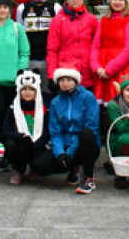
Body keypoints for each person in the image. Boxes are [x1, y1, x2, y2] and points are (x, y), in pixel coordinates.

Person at [34, 64, 100, 194]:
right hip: (64, 143)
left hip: (85, 144)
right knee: (39, 166)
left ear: (76, 81)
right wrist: (60, 154)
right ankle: (73, 168)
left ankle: (88, 177)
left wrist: (69, 153)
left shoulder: (87, 97)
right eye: (62, 80)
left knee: (86, 133)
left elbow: (92, 126)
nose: (65, 84)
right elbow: (55, 131)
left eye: (69, 80)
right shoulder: (55, 102)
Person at [91, 0, 129, 103]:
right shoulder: (104, 21)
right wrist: (96, 67)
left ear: (126, 2)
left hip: (122, 69)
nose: (117, 2)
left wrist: (109, 70)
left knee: (121, 102)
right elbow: (95, 46)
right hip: (102, 70)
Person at [46, 0, 99, 95]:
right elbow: (52, 49)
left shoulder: (92, 20)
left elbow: (98, 45)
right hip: (66, 73)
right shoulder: (58, 20)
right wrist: (52, 75)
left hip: (87, 72)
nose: (75, 0)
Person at [1, 70, 51, 185]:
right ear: (19, 91)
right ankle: (19, 170)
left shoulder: (44, 109)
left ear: (36, 91)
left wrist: (37, 143)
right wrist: (20, 136)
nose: (27, 92)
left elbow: (47, 133)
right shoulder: (13, 108)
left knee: (41, 162)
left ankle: (34, 168)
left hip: (38, 145)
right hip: (21, 143)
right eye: (24, 89)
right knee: (10, 145)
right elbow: (5, 131)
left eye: (31, 89)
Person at [15, 0, 60, 93]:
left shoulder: (55, 8)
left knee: (48, 92)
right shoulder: (22, 8)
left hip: (48, 59)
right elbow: (19, 33)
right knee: (29, 92)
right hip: (29, 59)